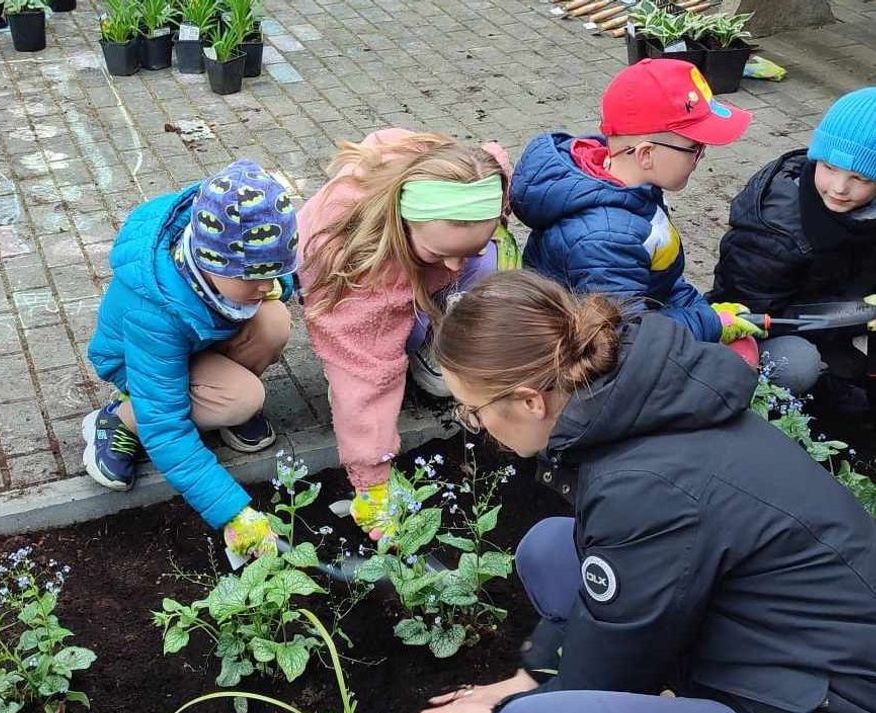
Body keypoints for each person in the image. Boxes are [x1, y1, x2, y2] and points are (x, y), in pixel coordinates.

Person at [413, 269, 876, 713]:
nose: (475, 426)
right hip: (808, 664)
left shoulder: (646, 488)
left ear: (528, 401)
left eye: (473, 411)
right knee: (550, 549)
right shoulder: (650, 400)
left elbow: (601, 675)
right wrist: (528, 675)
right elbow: (616, 592)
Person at [296, 129, 515, 539]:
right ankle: (387, 363)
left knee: (486, 266)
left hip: (404, 259)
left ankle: (432, 339)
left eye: (466, 249)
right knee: (366, 371)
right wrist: (372, 481)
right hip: (351, 284)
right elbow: (367, 374)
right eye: (439, 254)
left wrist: (463, 256)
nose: (453, 267)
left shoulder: (470, 176)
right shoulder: (356, 260)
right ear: (405, 221)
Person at [83, 160, 298, 558]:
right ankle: (121, 418)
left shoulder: (225, 266)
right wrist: (233, 512)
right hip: (139, 361)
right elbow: (165, 428)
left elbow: (278, 281)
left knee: (274, 321)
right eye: (254, 278)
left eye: (274, 273)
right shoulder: (153, 309)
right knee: (242, 398)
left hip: (199, 339)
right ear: (211, 261)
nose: (268, 286)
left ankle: (220, 405)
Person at [509, 59, 773, 378]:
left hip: (639, 318)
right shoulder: (605, 235)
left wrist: (705, 314)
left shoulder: (632, 188)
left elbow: (661, 277)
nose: (701, 156)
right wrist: (711, 325)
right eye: (695, 147)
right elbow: (626, 335)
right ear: (646, 154)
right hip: (585, 363)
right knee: (733, 371)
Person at [710, 87, 876, 411]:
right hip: (772, 330)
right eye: (828, 167)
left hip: (842, 318)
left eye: (860, 177)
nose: (839, 188)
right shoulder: (775, 231)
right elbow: (746, 313)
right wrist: (855, 314)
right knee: (799, 364)